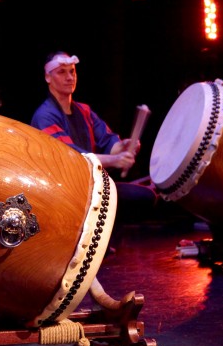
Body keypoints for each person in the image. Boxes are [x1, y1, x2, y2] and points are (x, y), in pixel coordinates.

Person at [31, 51, 158, 226]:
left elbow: (108, 141)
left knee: (149, 195)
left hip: (89, 186)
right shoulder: (44, 116)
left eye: (72, 71)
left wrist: (124, 146)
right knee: (140, 197)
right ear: (48, 77)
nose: (69, 77)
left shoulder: (84, 111)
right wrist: (116, 160)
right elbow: (73, 157)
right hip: (62, 192)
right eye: (62, 72)